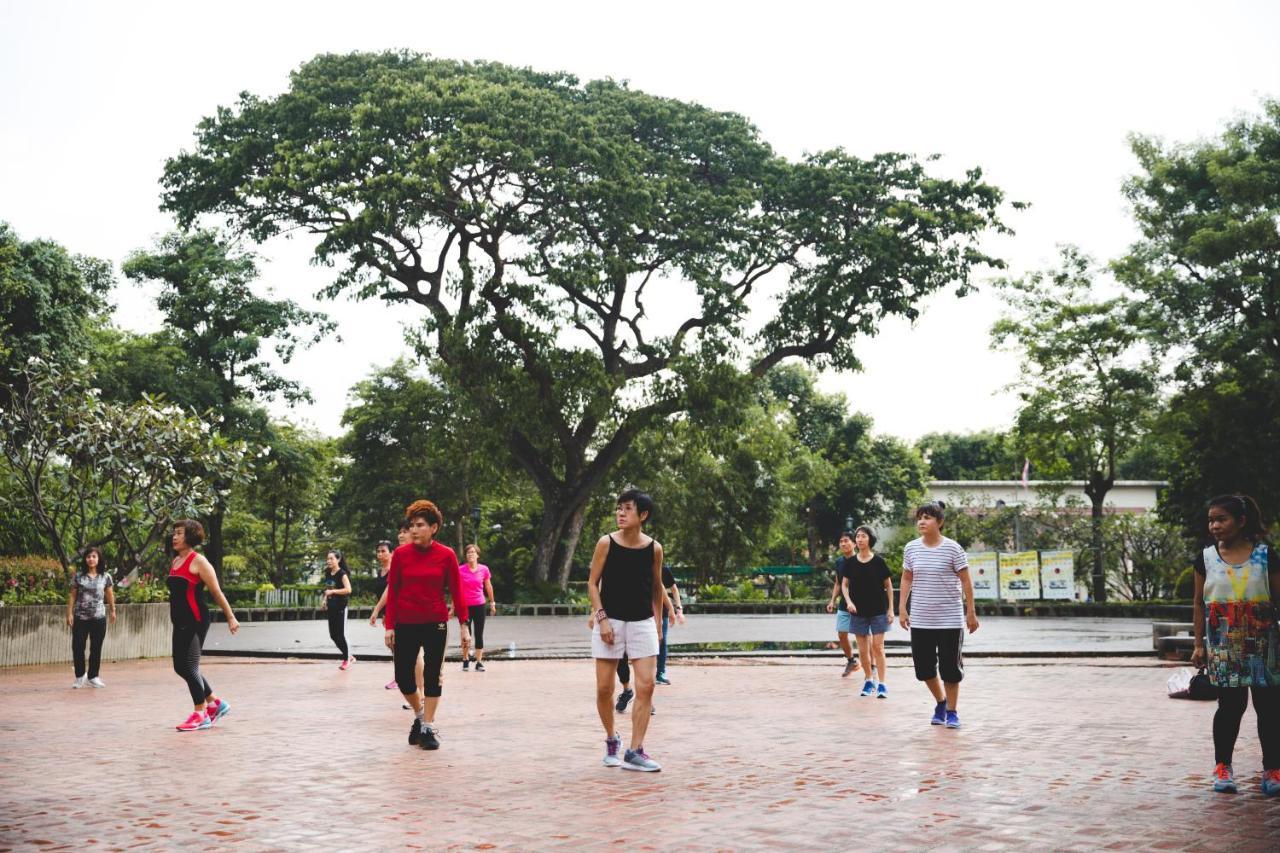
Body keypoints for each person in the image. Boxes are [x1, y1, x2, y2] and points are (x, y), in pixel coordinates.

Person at [1191, 494, 1280, 796]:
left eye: (1221, 519)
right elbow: (1198, 604)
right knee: (1230, 708)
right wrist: (1199, 645)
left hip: (1263, 647)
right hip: (1223, 647)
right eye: (1211, 519)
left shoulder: (1266, 556)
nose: (1214, 525)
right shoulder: (1205, 557)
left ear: (1241, 521)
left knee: (1269, 709)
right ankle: (1222, 767)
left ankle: (1273, 770)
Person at [587, 488, 665, 772]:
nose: (621, 513)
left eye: (628, 509)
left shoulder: (654, 548)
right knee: (604, 688)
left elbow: (656, 588)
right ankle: (611, 739)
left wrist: (656, 625)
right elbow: (592, 583)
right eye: (619, 508)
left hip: (642, 622)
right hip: (611, 621)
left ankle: (635, 750)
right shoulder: (606, 543)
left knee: (647, 685)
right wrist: (602, 618)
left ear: (643, 515)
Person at [384, 500, 470, 751]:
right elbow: (394, 591)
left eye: (420, 525)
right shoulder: (400, 554)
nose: (414, 530)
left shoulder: (446, 555)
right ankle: (420, 713)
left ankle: (428, 727)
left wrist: (464, 626)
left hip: (435, 623)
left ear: (434, 528)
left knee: (433, 674)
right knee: (403, 677)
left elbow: (457, 591)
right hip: (405, 622)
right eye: (411, 525)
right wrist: (389, 626)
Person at [898, 501, 979, 729]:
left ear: (940, 522)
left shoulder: (953, 548)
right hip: (921, 619)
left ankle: (952, 711)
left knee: (950, 669)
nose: (922, 521)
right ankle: (941, 702)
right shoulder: (911, 548)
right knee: (924, 669)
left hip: (950, 619)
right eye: (919, 518)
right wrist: (902, 608)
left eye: (928, 517)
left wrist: (970, 612)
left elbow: (966, 581)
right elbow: (906, 578)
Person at [166, 519, 240, 732]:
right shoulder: (176, 561)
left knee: (189, 667)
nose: (174, 536)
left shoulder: (199, 561)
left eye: (179, 533)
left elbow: (217, 592)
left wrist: (230, 617)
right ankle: (216, 703)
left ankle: (201, 714)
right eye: (174, 533)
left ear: (190, 536)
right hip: (179, 620)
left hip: (195, 620)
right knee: (180, 666)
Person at [841, 526, 895, 698]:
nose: (859, 539)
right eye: (857, 537)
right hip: (858, 611)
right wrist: (848, 602)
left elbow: (888, 586)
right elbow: (844, 585)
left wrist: (891, 609)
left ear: (870, 539)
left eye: (863, 536)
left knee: (878, 647)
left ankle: (883, 684)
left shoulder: (879, 562)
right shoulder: (850, 563)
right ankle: (869, 680)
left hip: (879, 610)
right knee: (863, 649)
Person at [373, 523, 426, 699]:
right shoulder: (400, 558)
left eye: (405, 532)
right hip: (401, 612)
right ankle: (415, 691)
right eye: (400, 532)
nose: (401, 535)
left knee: (416, 654)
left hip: (418, 610)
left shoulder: (421, 554)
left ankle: (421, 692)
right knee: (406, 653)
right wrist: (381, 612)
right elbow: (391, 589)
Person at [66, 547, 116, 688]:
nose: (91, 559)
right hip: (81, 617)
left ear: (98, 559)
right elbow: (73, 595)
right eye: (88, 557)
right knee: (77, 647)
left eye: (94, 556)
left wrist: (113, 610)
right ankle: (80, 676)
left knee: (96, 647)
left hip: (98, 618)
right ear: (85, 559)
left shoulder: (105, 577)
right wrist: (69, 613)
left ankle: (93, 676)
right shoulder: (79, 576)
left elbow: (109, 594)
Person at [458, 544, 497, 671]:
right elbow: (456, 590)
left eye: (473, 552)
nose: (470, 554)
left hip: (479, 605)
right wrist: (453, 608)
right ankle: (465, 659)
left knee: (479, 634)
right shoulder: (460, 570)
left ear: (477, 555)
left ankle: (479, 662)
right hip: (465, 607)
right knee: (465, 634)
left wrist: (492, 603)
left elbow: (488, 586)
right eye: (468, 552)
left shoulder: (484, 569)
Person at [827, 534, 859, 677]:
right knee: (841, 634)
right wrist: (832, 600)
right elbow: (838, 583)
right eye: (841, 541)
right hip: (844, 604)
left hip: (861, 604)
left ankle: (872, 665)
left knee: (863, 636)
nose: (843, 544)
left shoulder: (861, 559)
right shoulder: (839, 562)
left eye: (846, 541)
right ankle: (851, 661)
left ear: (854, 543)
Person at [322, 549, 354, 669]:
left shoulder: (342, 574)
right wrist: (325, 599)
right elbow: (328, 588)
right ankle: (349, 655)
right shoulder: (328, 573)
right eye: (328, 558)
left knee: (341, 634)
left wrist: (333, 591)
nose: (329, 561)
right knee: (333, 635)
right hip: (331, 606)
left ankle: (346, 659)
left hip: (341, 606)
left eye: (331, 558)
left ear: (338, 559)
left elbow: (348, 590)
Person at [656, 565, 685, 685]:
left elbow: (673, 589)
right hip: (645, 611)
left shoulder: (664, 570)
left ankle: (660, 672)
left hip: (662, 611)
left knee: (662, 640)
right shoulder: (641, 566)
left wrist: (679, 609)